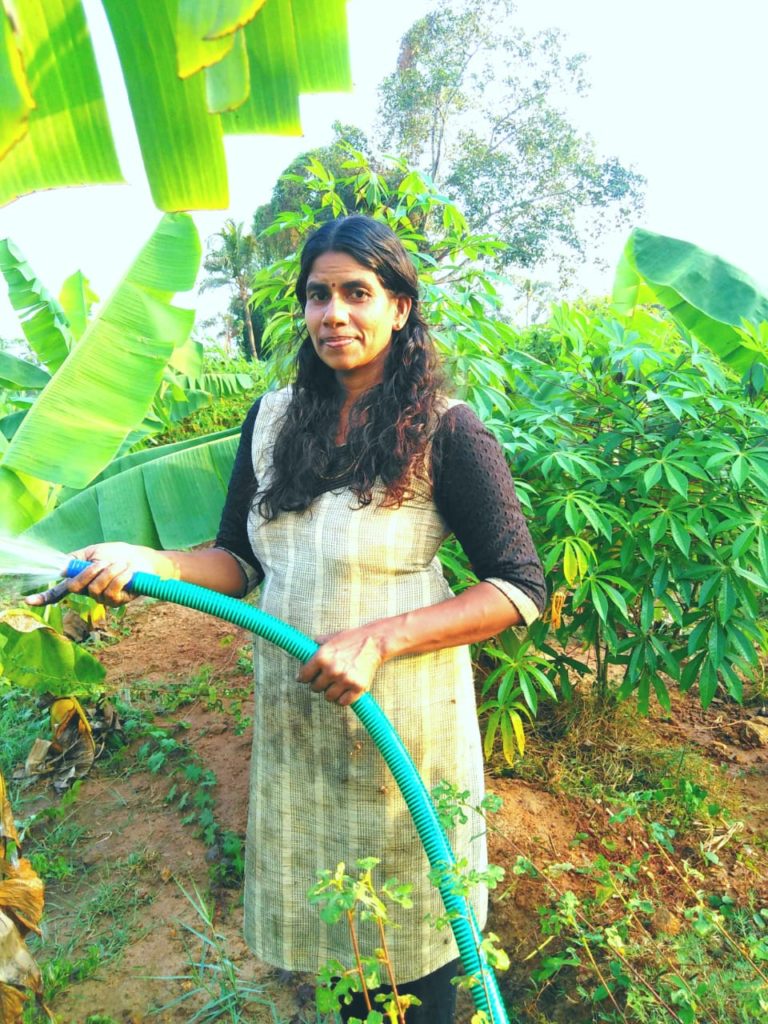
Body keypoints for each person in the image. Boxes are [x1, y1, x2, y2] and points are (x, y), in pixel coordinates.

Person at [29, 215, 546, 1022]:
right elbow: (238, 561)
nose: (334, 313)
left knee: (412, 943)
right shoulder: (273, 420)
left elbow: (518, 586)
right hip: (299, 727)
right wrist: (150, 561)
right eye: (318, 295)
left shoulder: (446, 429)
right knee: (337, 944)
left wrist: (378, 639)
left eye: (357, 293)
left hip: (401, 732)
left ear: (400, 308)